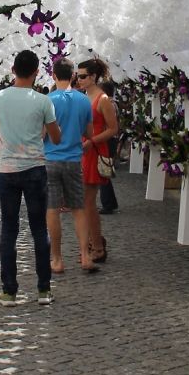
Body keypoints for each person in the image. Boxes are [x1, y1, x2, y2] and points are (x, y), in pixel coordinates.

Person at [0, 49, 61, 306]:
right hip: (35, 168)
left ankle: (9, 291)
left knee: (9, 229)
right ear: (37, 73)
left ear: (12, 69)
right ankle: (43, 290)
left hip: (7, 170)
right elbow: (55, 136)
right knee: (39, 229)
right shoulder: (43, 101)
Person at [44, 59, 99, 276]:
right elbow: (90, 132)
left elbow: (42, 133)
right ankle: (85, 256)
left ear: (54, 75)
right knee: (78, 209)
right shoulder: (83, 100)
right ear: (73, 76)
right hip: (74, 160)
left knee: (52, 210)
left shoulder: (47, 100)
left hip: (51, 159)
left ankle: (57, 259)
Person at [76, 58, 118, 263]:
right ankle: (94, 241)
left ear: (93, 77)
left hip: (94, 150)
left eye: (83, 76)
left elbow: (113, 128)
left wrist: (92, 141)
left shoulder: (102, 99)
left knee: (88, 202)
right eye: (78, 75)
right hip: (83, 149)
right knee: (85, 202)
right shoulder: (84, 97)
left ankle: (97, 246)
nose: (79, 79)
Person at [98, 76, 119, 215]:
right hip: (110, 139)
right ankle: (110, 202)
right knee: (104, 171)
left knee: (103, 171)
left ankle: (108, 204)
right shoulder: (113, 103)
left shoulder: (108, 104)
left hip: (107, 139)